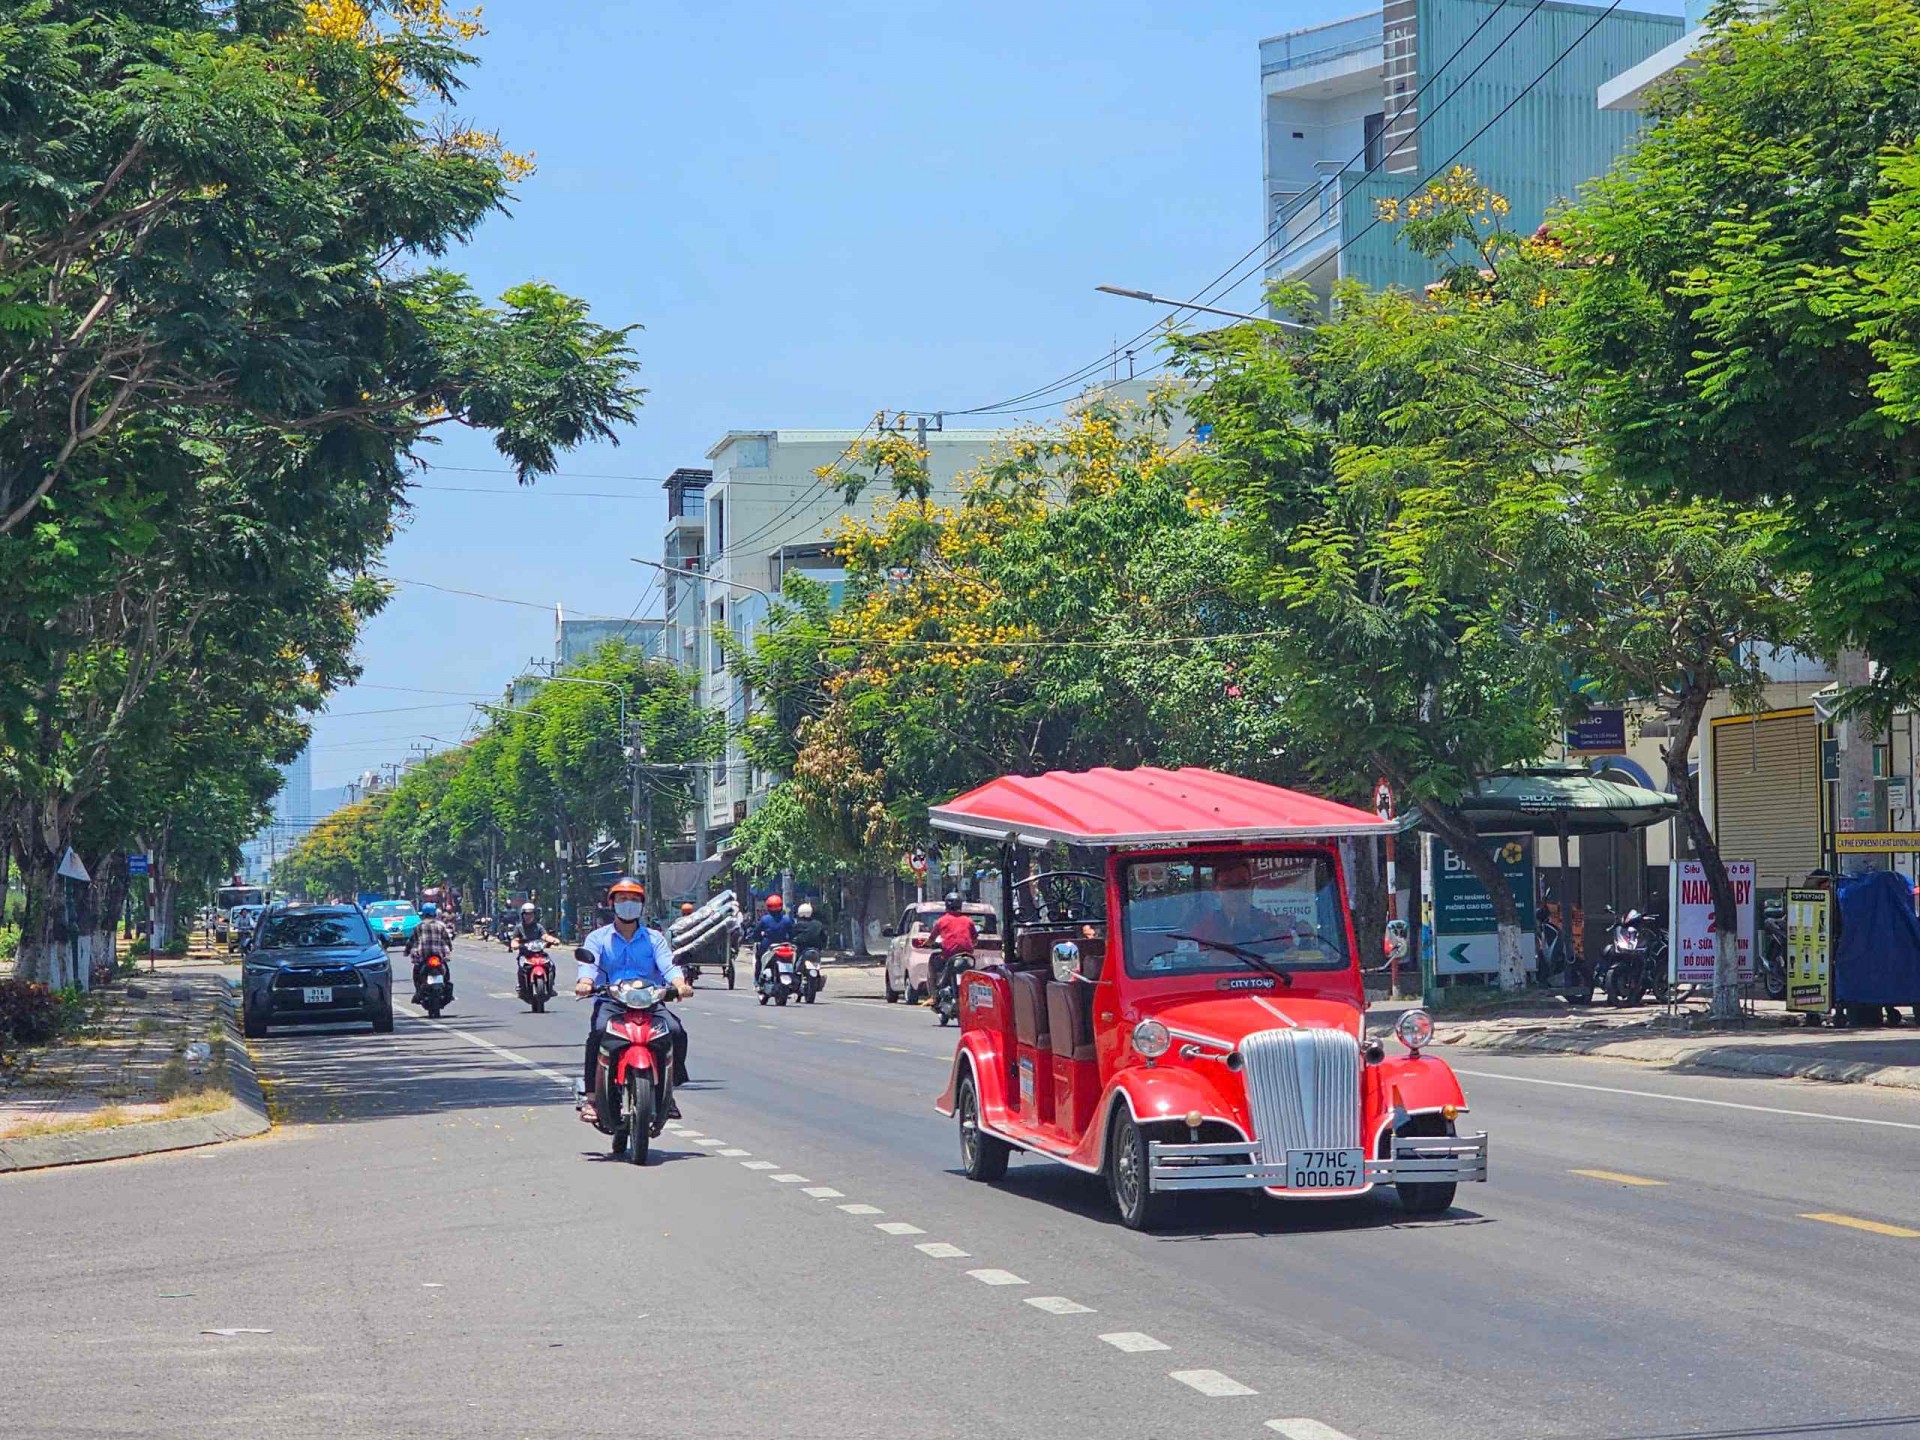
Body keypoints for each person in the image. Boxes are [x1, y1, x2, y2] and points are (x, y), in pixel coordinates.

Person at [576, 876, 692, 1121]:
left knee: (675, 1031)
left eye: (633, 899)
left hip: (649, 1001)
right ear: (612, 903)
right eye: (622, 899)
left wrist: (680, 984)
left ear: (641, 905)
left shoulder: (654, 938)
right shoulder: (598, 938)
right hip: (611, 1002)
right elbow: (589, 965)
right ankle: (591, 1098)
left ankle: (668, 1092)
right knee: (598, 1034)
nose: (628, 903)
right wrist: (585, 982)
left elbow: (668, 965)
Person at [926, 892, 978, 1003]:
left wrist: (926, 944)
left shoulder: (941, 921)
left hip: (949, 957)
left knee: (932, 961)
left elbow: (931, 940)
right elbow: (975, 940)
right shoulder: (968, 920)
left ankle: (934, 995)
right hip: (967, 957)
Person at [405, 901, 457, 1005]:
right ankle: (448, 990)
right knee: (446, 970)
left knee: (416, 971)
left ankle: (417, 991)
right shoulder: (441, 926)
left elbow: (412, 941)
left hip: (423, 956)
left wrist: (407, 951)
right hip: (438, 955)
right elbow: (447, 940)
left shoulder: (419, 926)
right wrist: (450, 949)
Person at [751, 893, 793, 985]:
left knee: (759, 958)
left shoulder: (764, 919)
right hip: (783, 946)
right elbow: (792, 934)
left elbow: (756, 933)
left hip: (767, 946)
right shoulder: (786, 919)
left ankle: (757, 980)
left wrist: (757, 939)